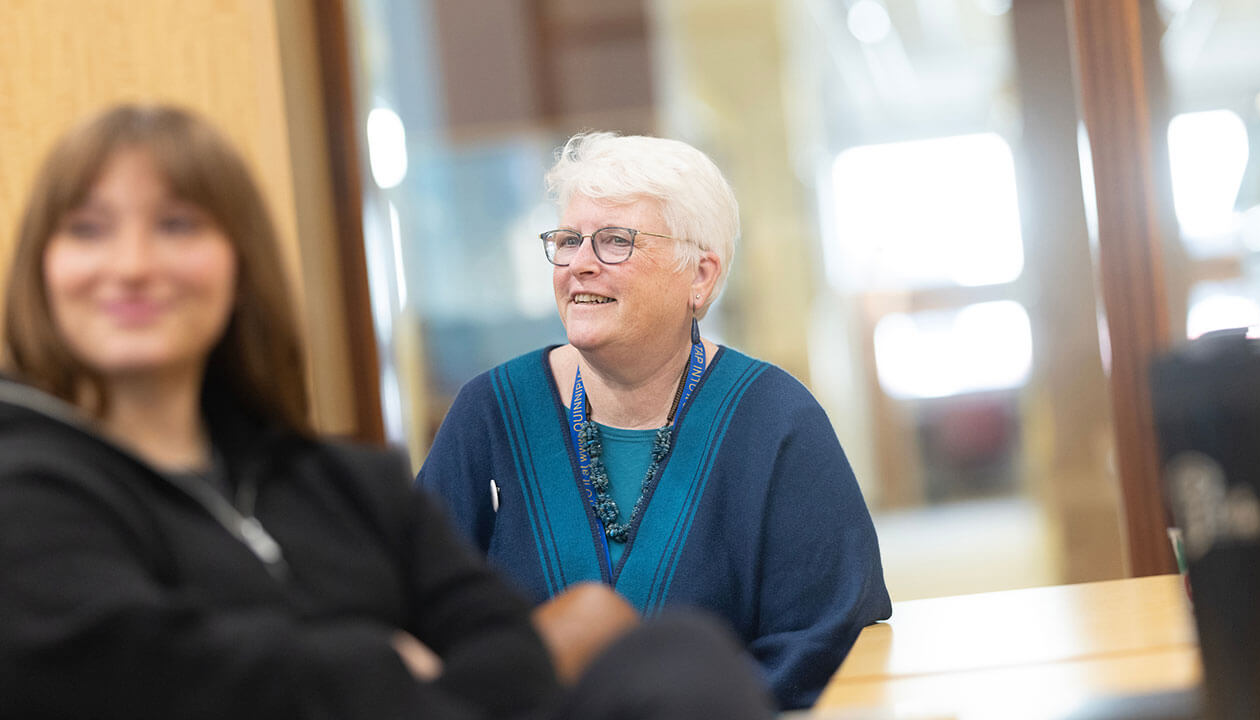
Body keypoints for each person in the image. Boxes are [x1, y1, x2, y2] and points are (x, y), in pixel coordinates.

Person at [0, 105, 774, 720]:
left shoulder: (344, 482)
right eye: (89, 229)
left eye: (177, 226)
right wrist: (381, 662)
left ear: (240, 264)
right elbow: (148, 680)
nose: (133, 264)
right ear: (43, 266)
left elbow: (503, 642)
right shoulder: (26, 489)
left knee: (678, 658)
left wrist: (400, 678)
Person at [416, 131, 893, 709]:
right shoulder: (489, 414)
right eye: (568, 241)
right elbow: (418, 622)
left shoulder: (777, 422)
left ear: (700, 276)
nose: (581, 265)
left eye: (616, 241)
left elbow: (824, 646)